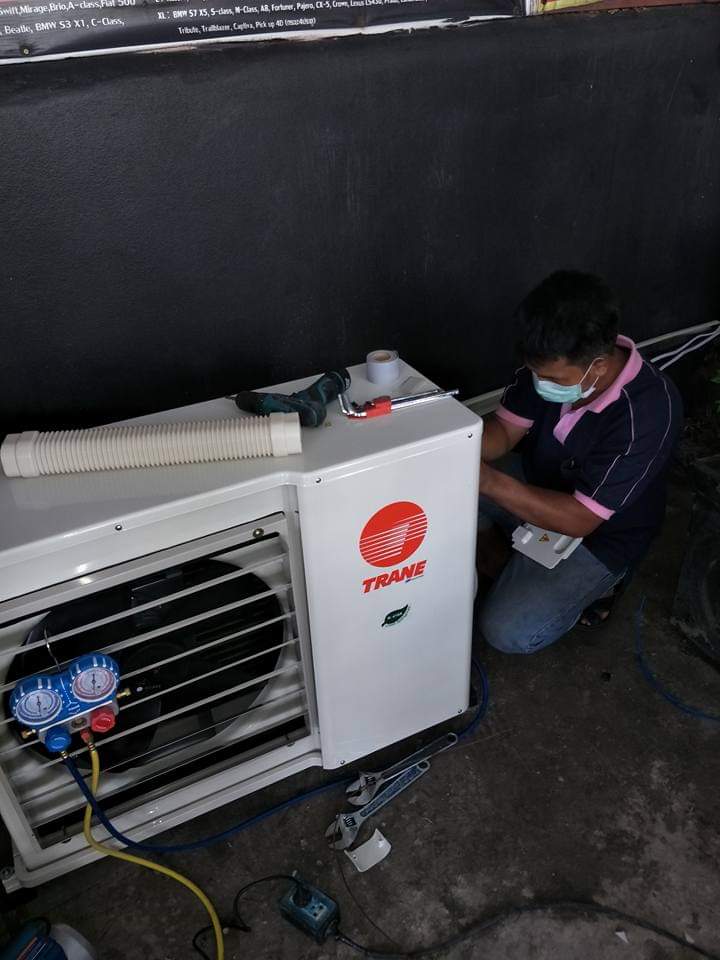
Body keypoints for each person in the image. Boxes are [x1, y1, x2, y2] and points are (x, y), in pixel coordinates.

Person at [477, 270, 682, 655]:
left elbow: (580, 518)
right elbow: (503, 432)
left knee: (509, 631)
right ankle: (506, 555)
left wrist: (486, 481)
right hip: (540, 481)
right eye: (535, 372)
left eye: (552, 378)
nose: (540, 382)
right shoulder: (549, 362)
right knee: (442, 479)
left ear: (598, 366)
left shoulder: (648, 411)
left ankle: (600, 586)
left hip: (601, 532)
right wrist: (458, 446)